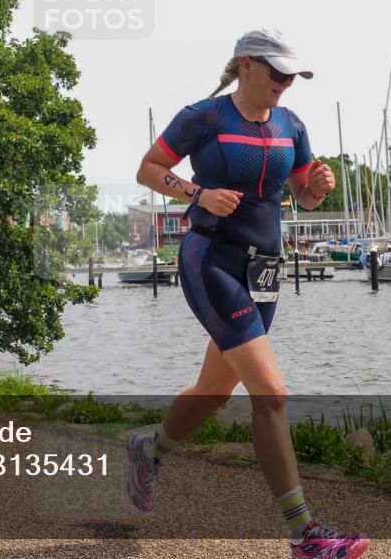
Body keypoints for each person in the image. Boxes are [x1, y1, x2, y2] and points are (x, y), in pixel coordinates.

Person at [127, 29, 370, 559]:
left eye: (292, 75)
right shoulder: (205, 117)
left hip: (265, 271)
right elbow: (149, 168)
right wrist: (198, 194)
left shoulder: (291, 125)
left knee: (214, 390)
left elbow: (302, 197)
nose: (286, 82)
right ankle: (306, 534)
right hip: (211, 260)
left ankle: (150, 450)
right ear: (246, 66)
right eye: (278, 72)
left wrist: (316, 189)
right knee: (272, 393)